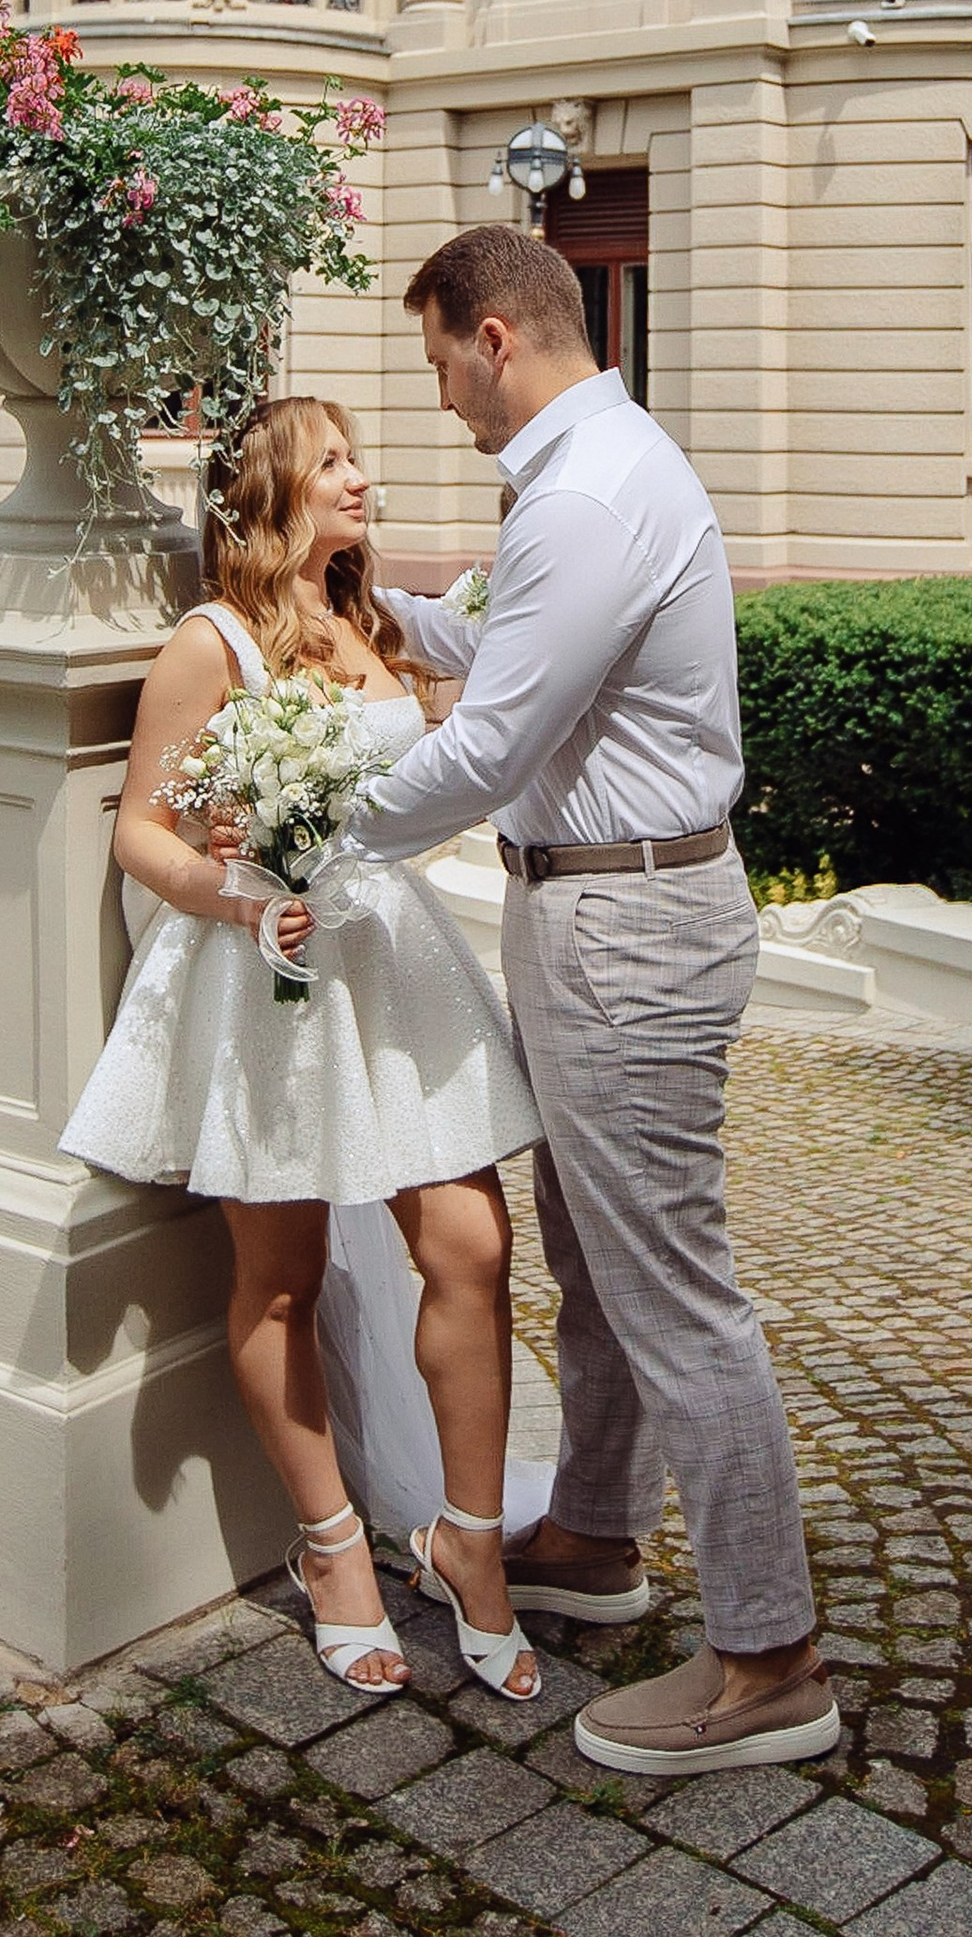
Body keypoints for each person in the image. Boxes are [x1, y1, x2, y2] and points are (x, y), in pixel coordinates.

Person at [343, 225, 838, 1774]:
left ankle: (771, 1659)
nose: (441, 398)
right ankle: (599, 1540)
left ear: (495, 338)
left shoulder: (587, 493)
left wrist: (305, 834)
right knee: (600, 1262)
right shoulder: (586, 473)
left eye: (441, 363)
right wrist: (369, 610)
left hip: (626, 928)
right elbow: (508, 654)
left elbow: (490, 747)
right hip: (602, 911)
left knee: (673, 1288)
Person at [59, 395, 546, 1705]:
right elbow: (143, 831)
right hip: (271, 972)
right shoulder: (210, 644)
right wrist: (236, 892)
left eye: (356, 459)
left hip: (390, 957)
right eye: (332, 462)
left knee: (471, 1244)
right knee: (281, 1278)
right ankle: (332, 1549)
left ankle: (469, 1542)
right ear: (272, 490)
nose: (359, 478)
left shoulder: (375, 623)